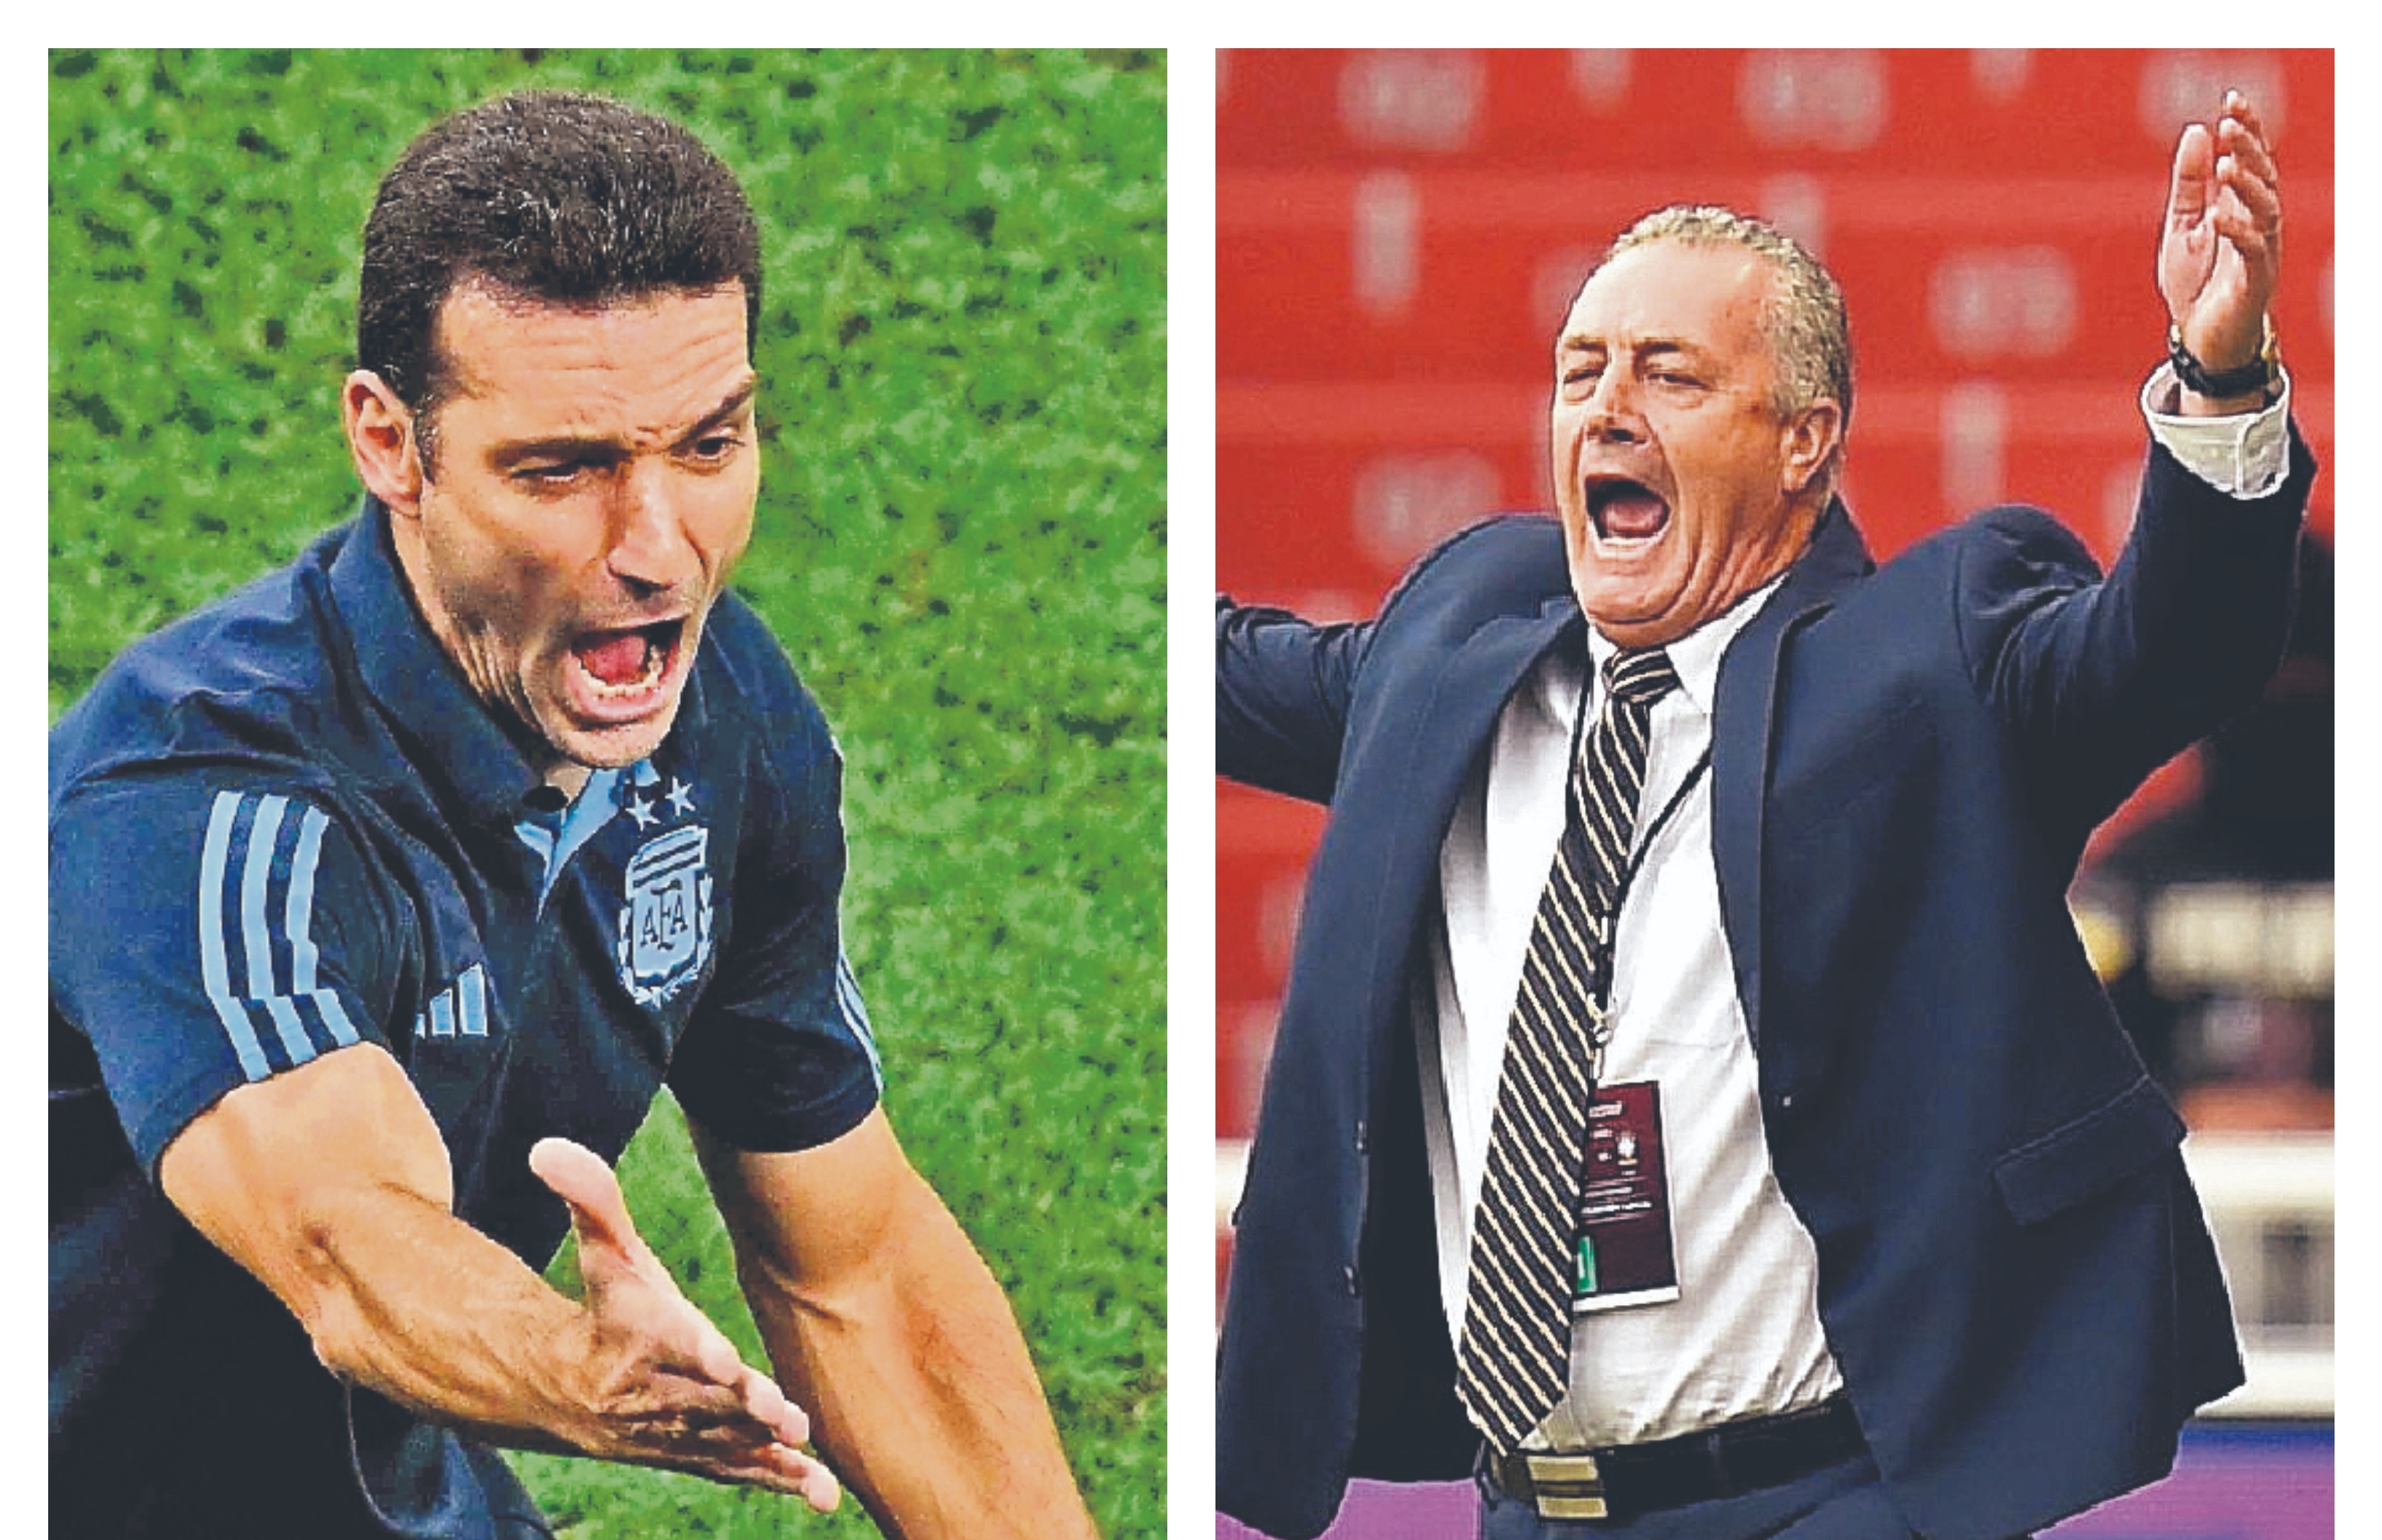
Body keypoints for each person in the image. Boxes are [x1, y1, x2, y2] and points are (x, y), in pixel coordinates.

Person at [1215, 92, 2308, 1540]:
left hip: (1826, 1491)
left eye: (1668, 374)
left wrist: (2219, 380)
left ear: (1803, 439)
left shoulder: (1931, 655)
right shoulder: (1454, 652)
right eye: (1580, 370)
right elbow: (1210, 668)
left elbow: (2175, 645)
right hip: (1529, 1502)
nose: (1605, 408)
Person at [51, 90, 1096, 1540]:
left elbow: (851, 1271)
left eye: (708, 444)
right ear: (390, 443)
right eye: (567, 467)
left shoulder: (726, 721)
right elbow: (345, 1240)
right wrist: (585, 1371)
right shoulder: (210, 784)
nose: (658, 550)